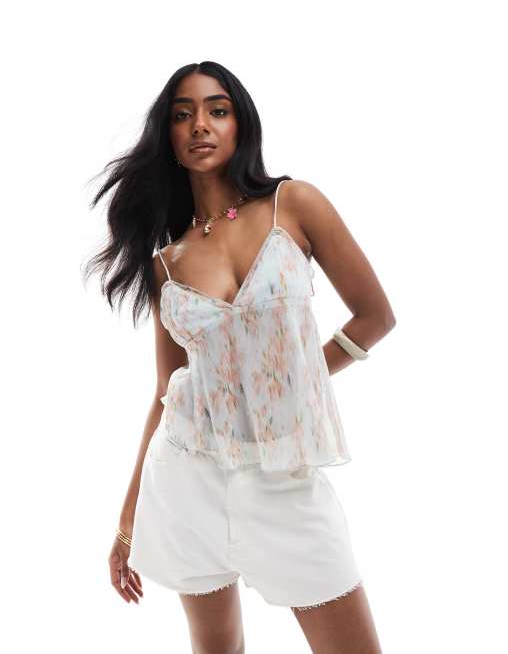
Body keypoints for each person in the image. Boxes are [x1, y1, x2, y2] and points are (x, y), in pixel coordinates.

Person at [87, 61, 395, 653]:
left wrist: (292, 376)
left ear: (240, 124)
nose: (200, 125)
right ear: (168, 137)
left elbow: (375, 316)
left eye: (217, 110)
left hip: (283, 478)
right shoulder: (167, 263)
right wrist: (126, 524)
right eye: (183, 115)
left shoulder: (294, 205)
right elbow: (165, 392)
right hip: (187, 478)